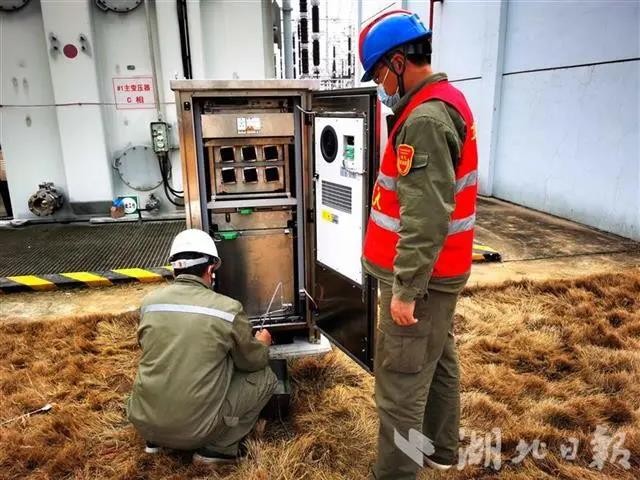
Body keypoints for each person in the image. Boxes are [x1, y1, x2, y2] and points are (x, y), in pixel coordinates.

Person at [359, 10, 478, 480]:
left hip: (421, 279)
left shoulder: (425, 118)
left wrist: (407, 289)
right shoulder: (447, 100)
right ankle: (440, 451)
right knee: (439, 358)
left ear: (397, 61)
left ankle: (395, 472)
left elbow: (425, 217)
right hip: (442, 273)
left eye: (378, 75)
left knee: (400, 384)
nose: (380, 86)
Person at [127, 229, 277, 464]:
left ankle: (155, 439)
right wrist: (262, 344)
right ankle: (219, 449)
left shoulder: (149, 303)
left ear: (175, 269)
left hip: (143, 421)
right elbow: (251, 362)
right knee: (266, 378)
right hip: (196, 431)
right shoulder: (227, 309)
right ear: (210, 270)